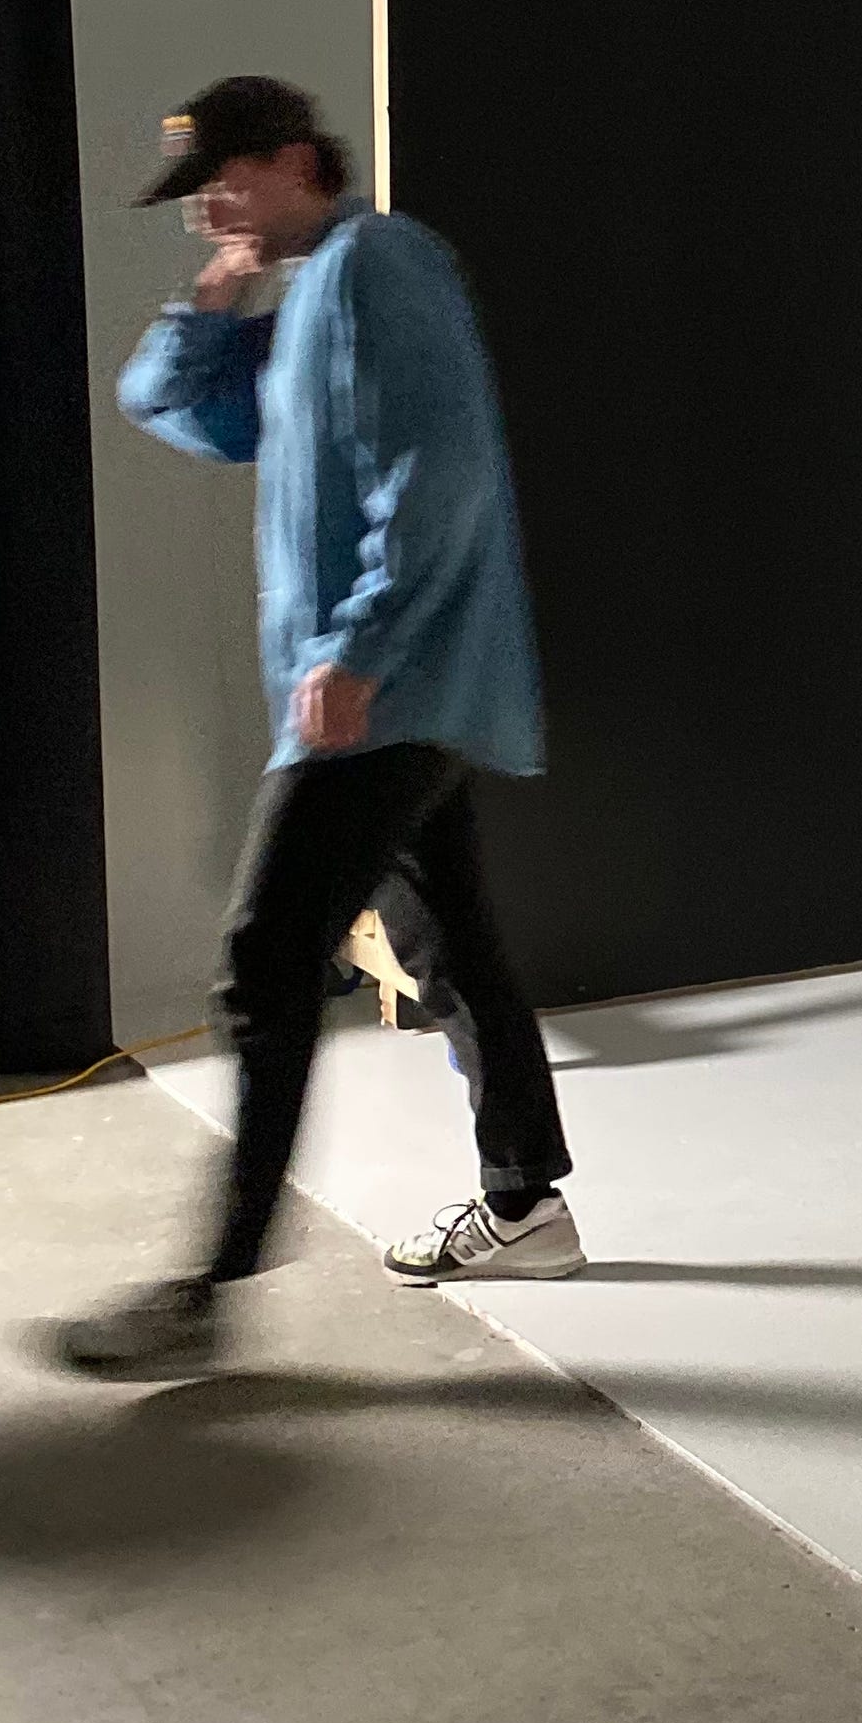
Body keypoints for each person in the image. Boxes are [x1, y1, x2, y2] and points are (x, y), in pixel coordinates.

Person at [56, 77, 583, 1377]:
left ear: (297, 159)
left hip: (382, 691)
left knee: (264, 958)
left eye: (223, 183)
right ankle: (526, 1204)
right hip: (388, 689)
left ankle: (209, 1287)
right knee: (450, 939)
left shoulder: (378, 264)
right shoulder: (305, 304)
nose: (207, 212)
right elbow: (169, 405)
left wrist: (359, 649)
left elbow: (440, 474)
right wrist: (217, 291)